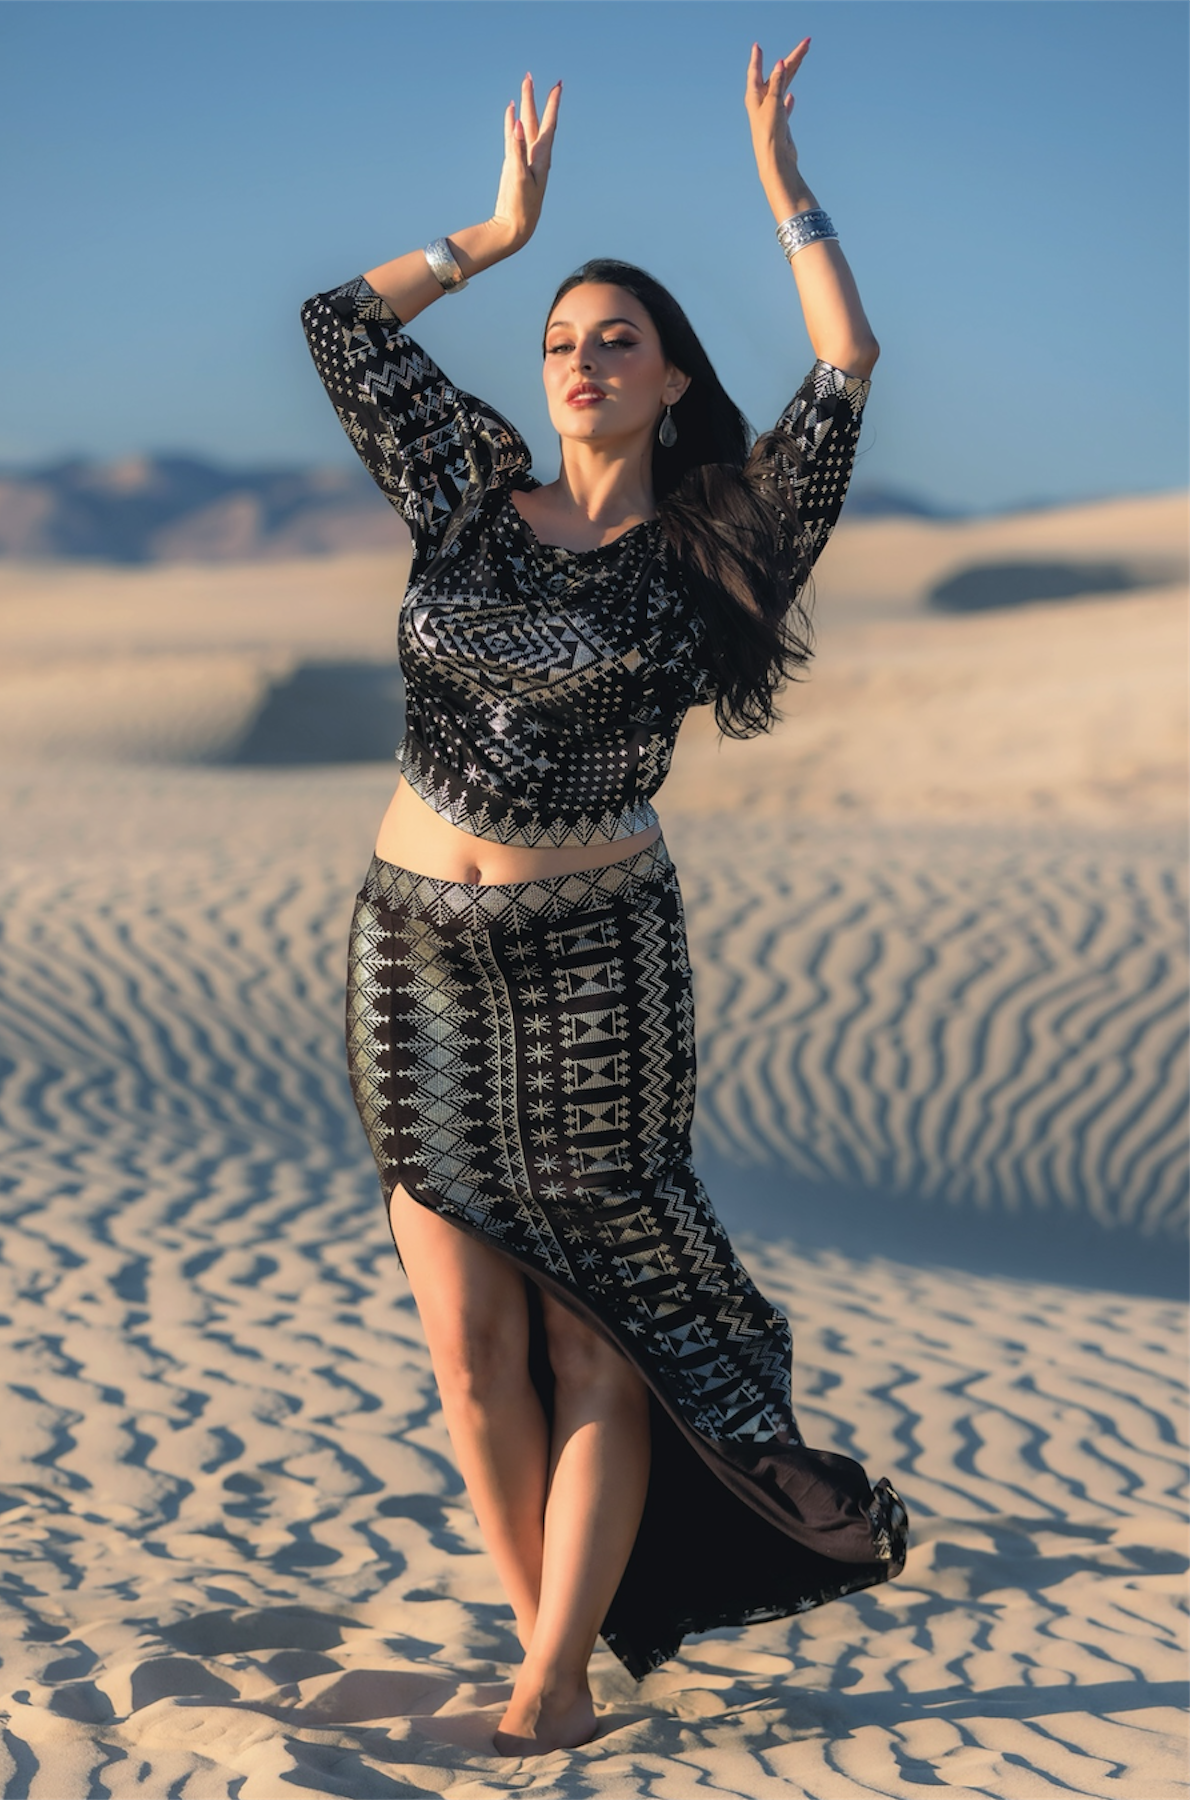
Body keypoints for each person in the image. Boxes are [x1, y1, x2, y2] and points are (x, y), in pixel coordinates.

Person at [302, 40, 907, 1757]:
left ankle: (553, 1680)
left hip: (594, 974)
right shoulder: (465, 490)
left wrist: (789, 194)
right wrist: (490, 238)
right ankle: (545, 1640)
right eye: (559, 341)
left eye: (613, 340)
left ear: (669, 381)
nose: (578, 363)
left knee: (592, 1338)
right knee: (463, 1348)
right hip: (410, 953)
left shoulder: (715, 543)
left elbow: (847, 367)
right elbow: (342, 329)